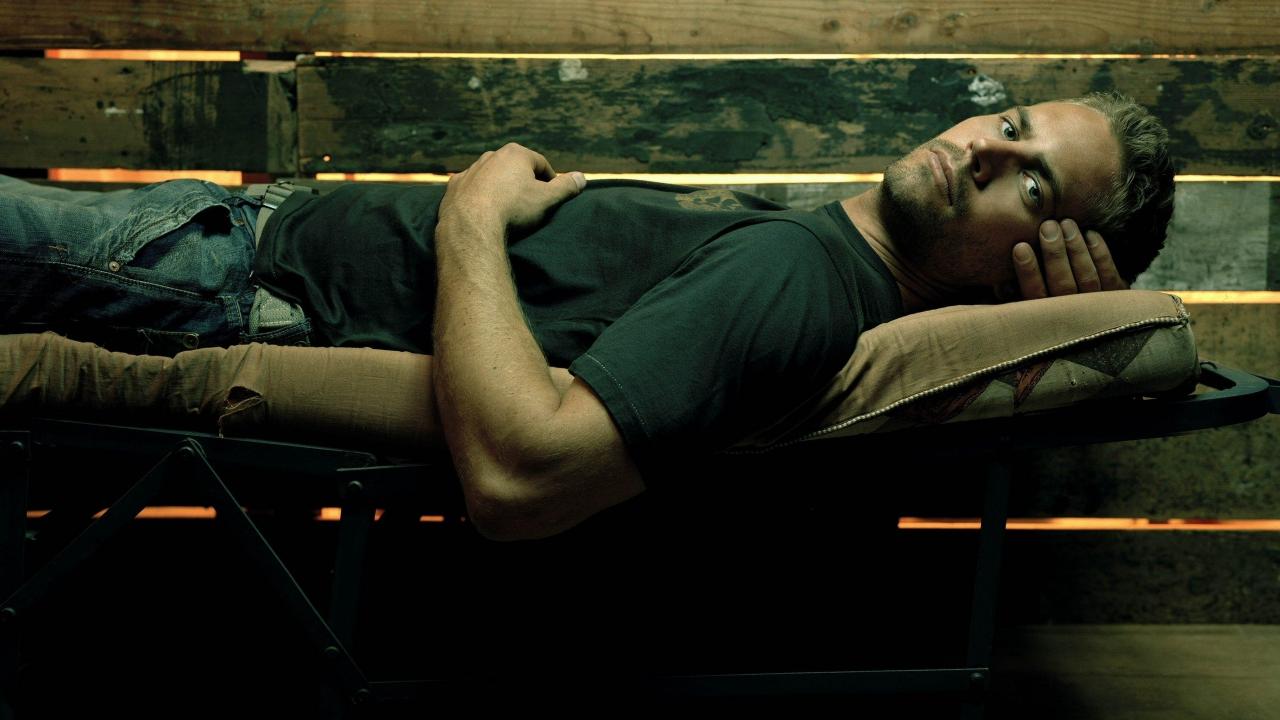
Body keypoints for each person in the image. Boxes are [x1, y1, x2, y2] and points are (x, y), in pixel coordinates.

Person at [0, 91, 1175, 541]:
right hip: (220, 247)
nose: (982, 151)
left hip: (214, 274)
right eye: (1010, 123)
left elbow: (525, 478)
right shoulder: (821, 262)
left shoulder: (798, 283)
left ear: (1036, 260)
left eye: (1031, 185)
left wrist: (470, 216)